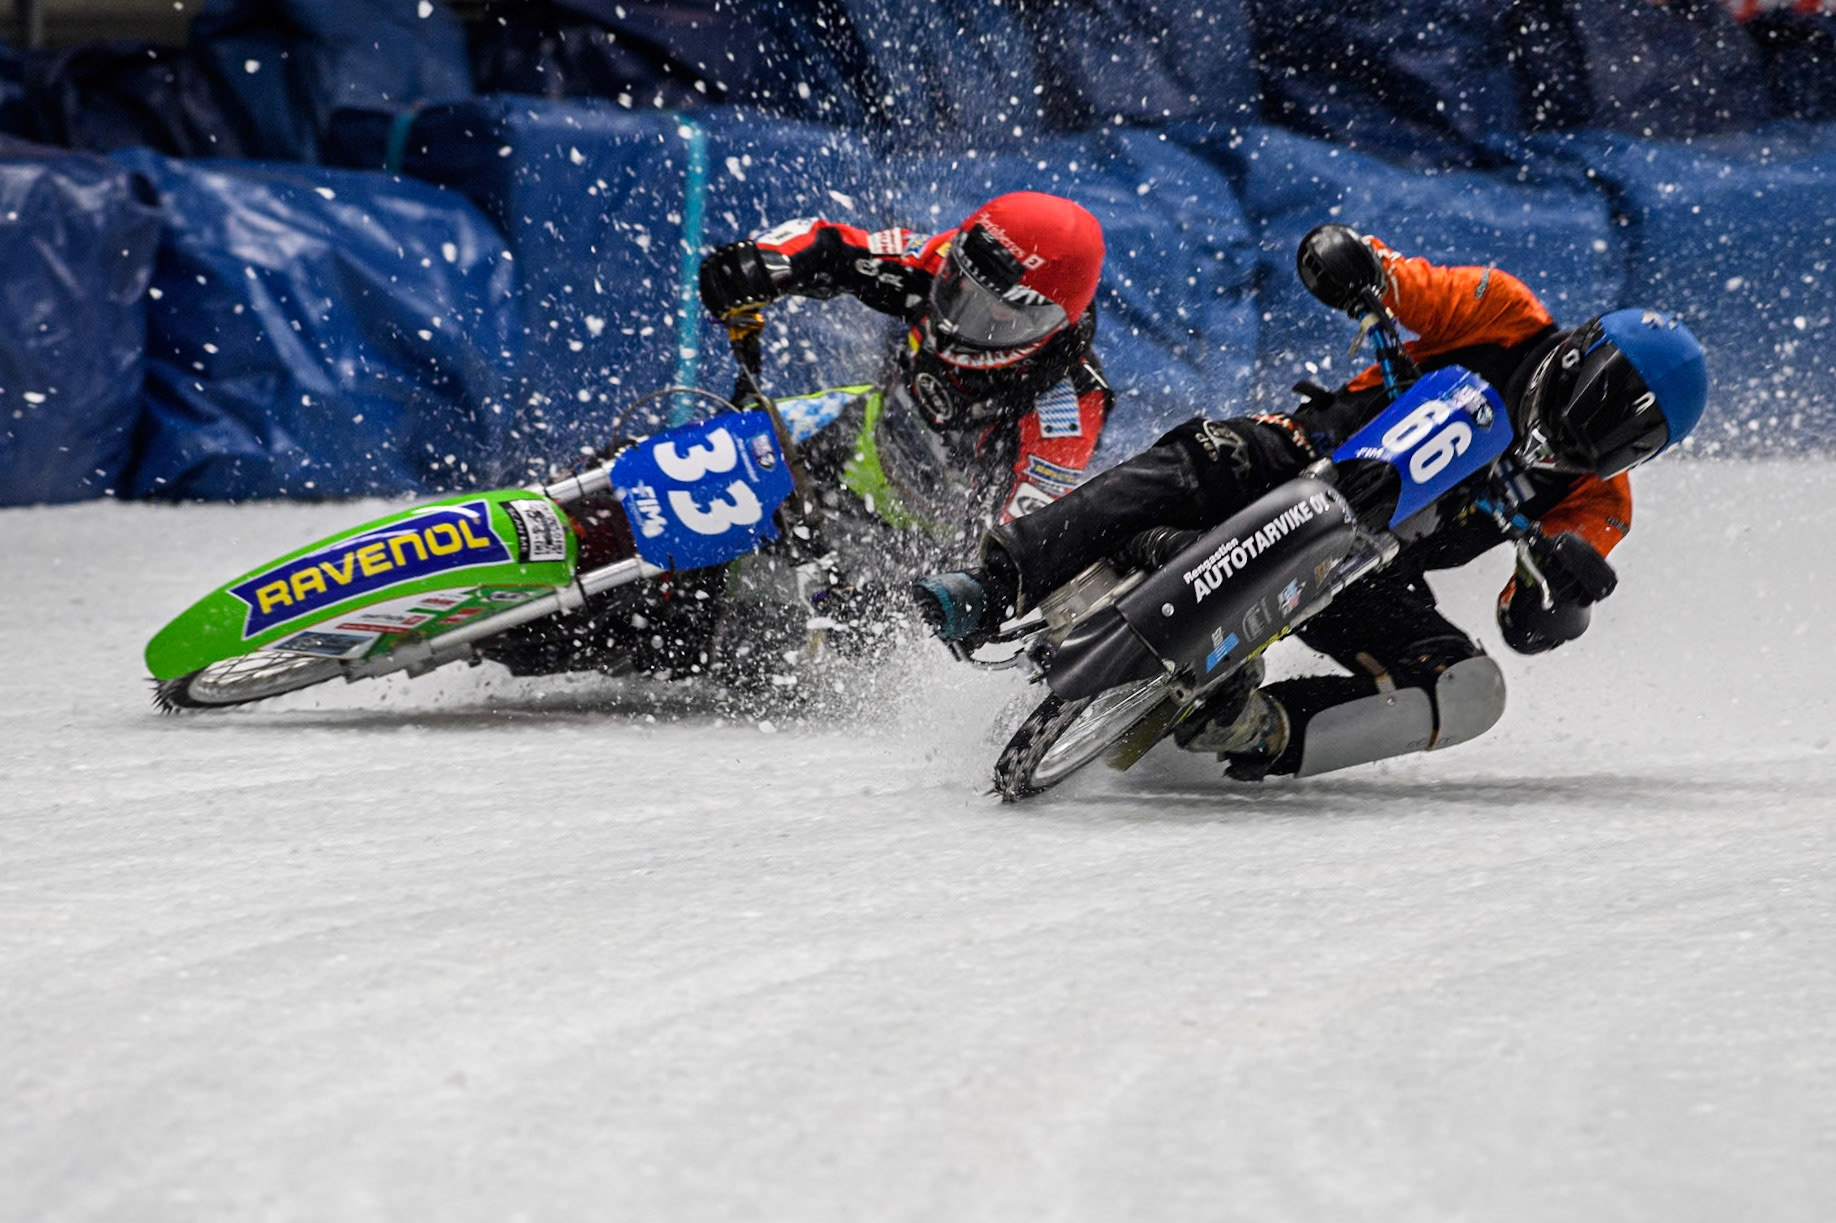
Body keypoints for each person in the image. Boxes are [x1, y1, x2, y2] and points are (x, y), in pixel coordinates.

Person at [912, 224, 1709, 780]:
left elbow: (1524, 625)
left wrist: (1559, 593)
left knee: (1472, 689)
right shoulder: (1505, 312)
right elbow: (1405, 282)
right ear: (1572, 353)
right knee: (1201, 456)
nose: (1563, 444)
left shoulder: (1599, 504)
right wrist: (1357, 267)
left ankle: (1261, 726)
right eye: (1572, 405)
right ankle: (995, 582)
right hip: (1303, 454)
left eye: (1600, 443)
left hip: (1374, 569)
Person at [481, 190, 1114, 686]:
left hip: (908, 544)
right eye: (956, 288)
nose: (957, 315)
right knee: (654, 477)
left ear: (1048, 319)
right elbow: (834, 247)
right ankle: (530, 533)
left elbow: (1021, 539)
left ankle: (638, 630)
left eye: (992, 312)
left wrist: (925, 600)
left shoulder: (1066, 409)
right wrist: (761, 263)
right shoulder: (941, 258)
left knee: (731, 625)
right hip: (846, 437)